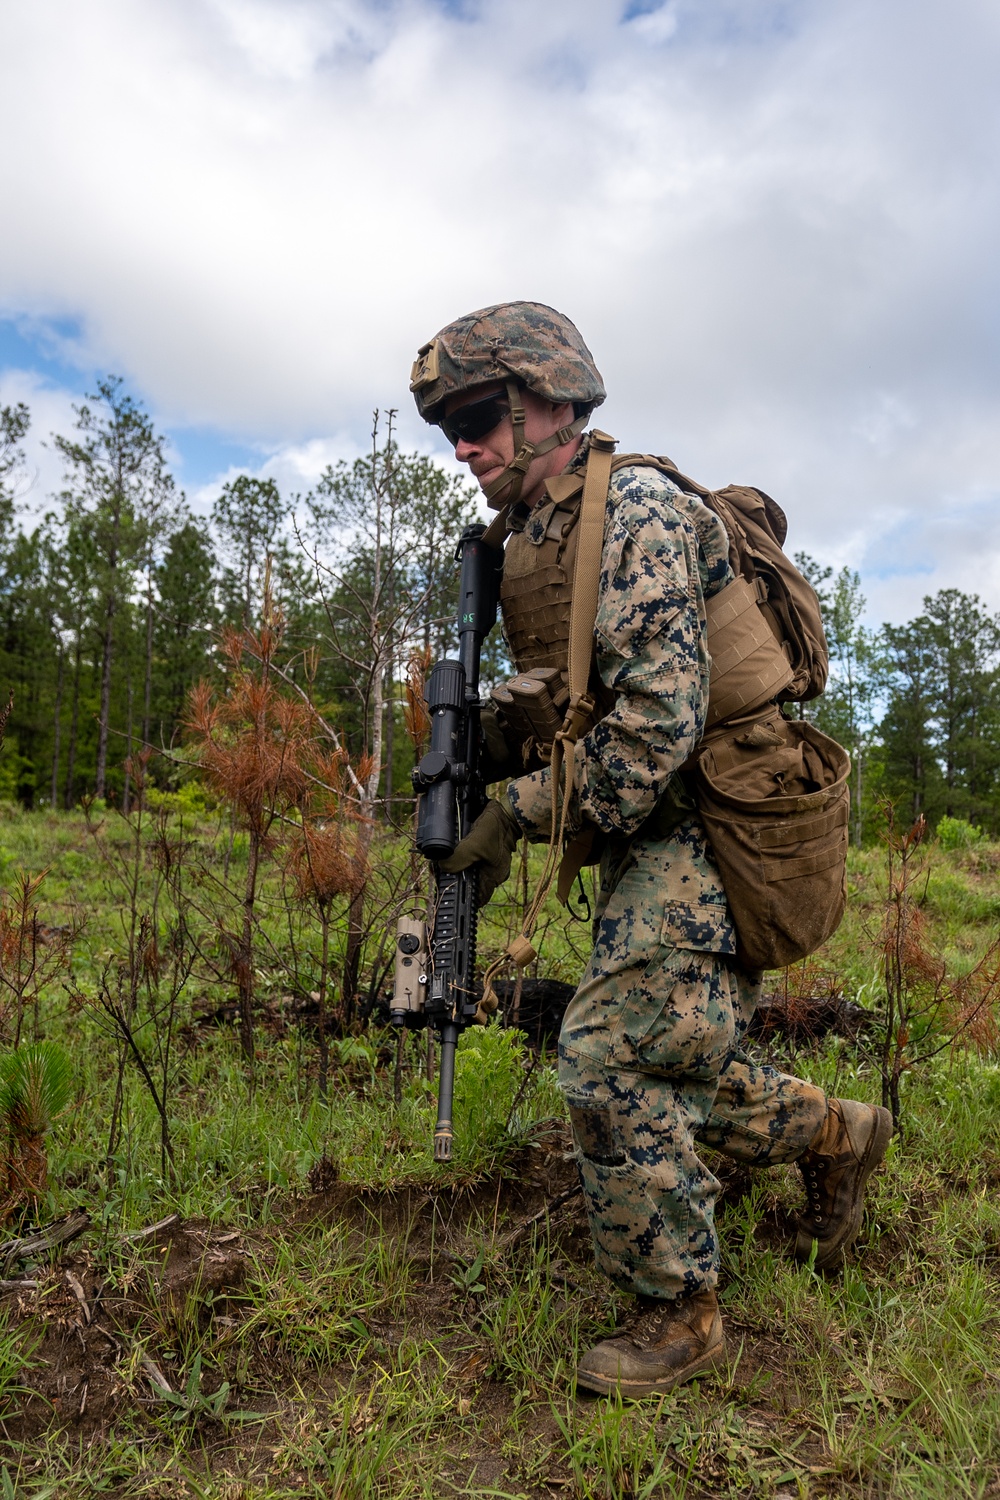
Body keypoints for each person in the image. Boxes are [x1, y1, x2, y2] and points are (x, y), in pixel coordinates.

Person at [409, 302, 892, 1397]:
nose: (465, 445)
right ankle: (832, 1135)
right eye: (451, 427)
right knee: (673, 1049)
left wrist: (517, 815)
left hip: (720, 815)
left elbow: (653, 730)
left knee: (613, 1053)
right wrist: (479, 742)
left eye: (479, 416)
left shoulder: (629, 513)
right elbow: (574, 693)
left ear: (552, 404)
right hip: (654, 818)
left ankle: (679, 1312)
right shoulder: (532, 533)